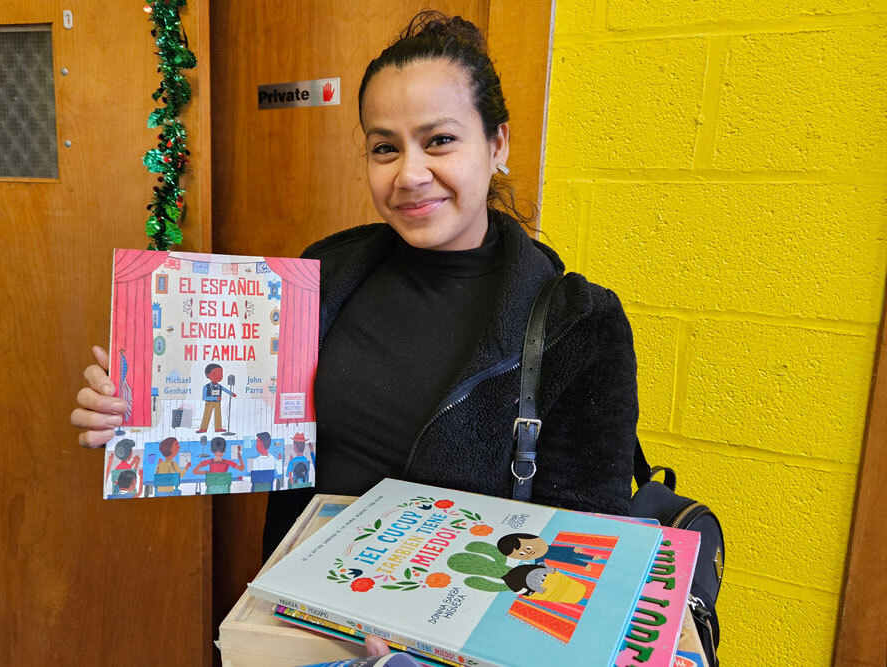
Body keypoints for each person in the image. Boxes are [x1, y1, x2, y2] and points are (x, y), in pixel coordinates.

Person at [71, 12, 639, 651]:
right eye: (385, 147)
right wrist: (136, 416)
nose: (410, 174)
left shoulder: (578, 326)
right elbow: (242, 422)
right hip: (296, 628)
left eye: (441, 140)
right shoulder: (320, 277)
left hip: (454, 650)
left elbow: (583, 553)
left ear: (498, 143)